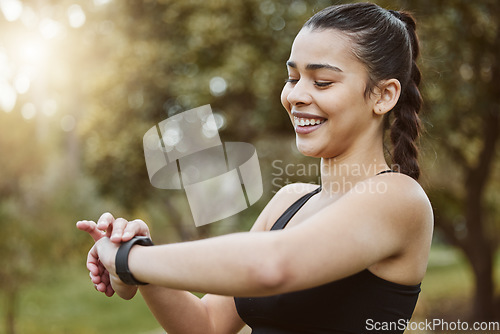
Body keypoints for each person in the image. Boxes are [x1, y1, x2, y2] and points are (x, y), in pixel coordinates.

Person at [77, 2, 433, 333]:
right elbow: (209, 324)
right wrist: (139, 260)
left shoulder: (398, 200)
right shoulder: (288, 202)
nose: (295, 95)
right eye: (293, 78)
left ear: (384, 95)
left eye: (322, 81)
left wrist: (129, 260)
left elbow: (271, 267)